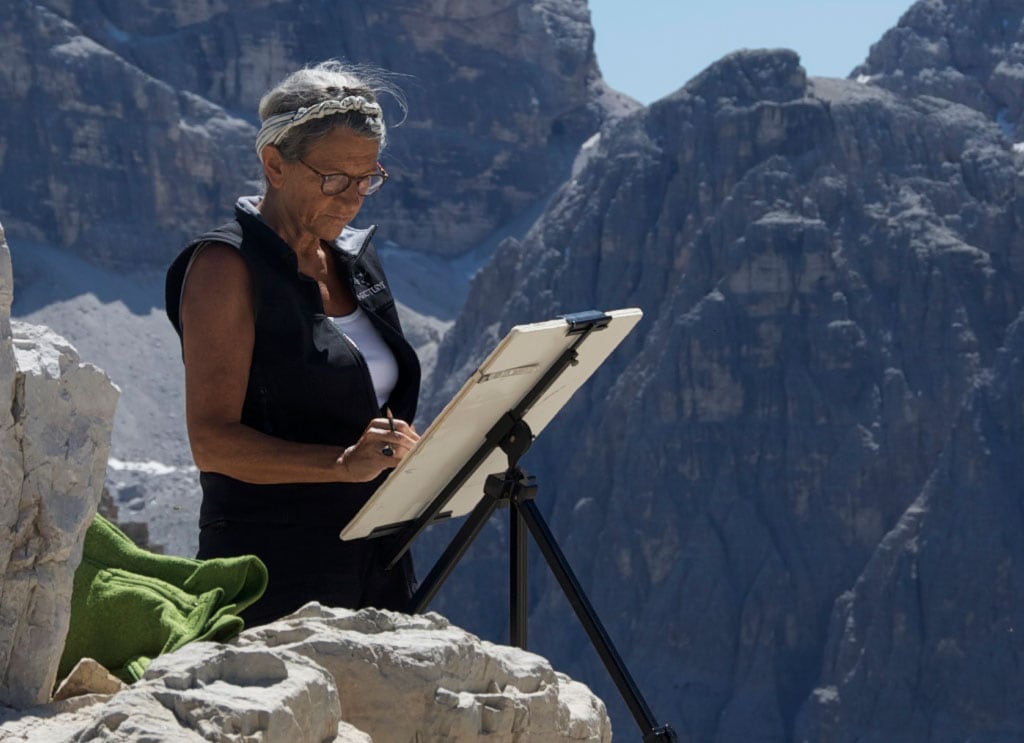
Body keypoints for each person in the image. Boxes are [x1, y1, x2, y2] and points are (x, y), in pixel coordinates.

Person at [165, 61, 421, 627]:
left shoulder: (355, 257)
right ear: (274, 164)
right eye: (334, 179)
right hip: (274, 572)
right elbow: (212, 443)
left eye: (368, 178)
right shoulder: (224, 268)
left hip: (377, 556)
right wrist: (342, 465)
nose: (353, 199)